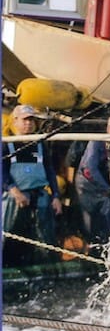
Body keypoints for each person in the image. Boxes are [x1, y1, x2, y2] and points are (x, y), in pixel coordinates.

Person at [2, 104, 63, 263]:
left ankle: (45, 265)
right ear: (14, 121)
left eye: (31, 120)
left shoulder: (40, 143)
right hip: (14, 197)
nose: (29, 124)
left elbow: (49, 170)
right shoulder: (6, 144)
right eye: (25, 120)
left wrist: (56, 196)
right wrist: (14, 191)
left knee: (44, 236)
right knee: (9, 234)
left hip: (39, 195)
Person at [74, 114, 110, 243]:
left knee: (106, 211)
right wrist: (106, 187)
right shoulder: (96, 142)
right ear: (109, 129)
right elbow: (90, 168)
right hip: (87, 183)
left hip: (102, 183)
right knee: (90, 215)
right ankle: (91, 243)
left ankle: (107, 240)